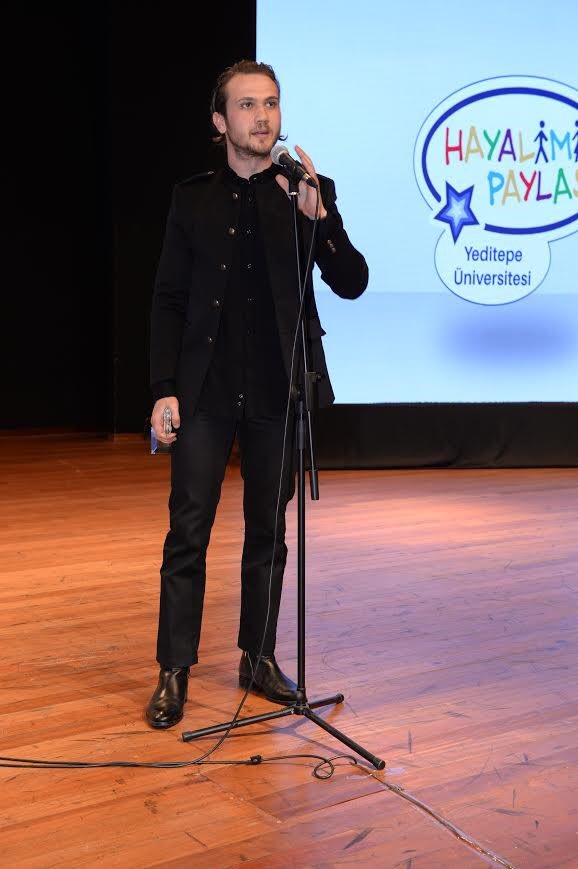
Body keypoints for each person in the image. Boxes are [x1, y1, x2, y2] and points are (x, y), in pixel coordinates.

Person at [145, 60, 368, 728]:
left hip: (279, 390)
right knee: (189, 530)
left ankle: (258, 657)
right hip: (206, 391)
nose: (262, 116)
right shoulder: (192, 198)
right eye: (246, 105)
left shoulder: (307, 192)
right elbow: (168, 299)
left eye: (270, 103)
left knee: (269, 532)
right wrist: (162, 389)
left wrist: (322, 221)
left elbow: (352, 281)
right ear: (220, 122)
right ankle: (174, 670)